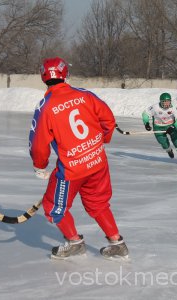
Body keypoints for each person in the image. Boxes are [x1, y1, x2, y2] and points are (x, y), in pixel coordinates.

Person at [29, 57, 128, 260]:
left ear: (43, 77)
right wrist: (101, 141)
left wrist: (40, 166)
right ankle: (117, 244)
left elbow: (39, 143)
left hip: (71, 170)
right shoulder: (85, 95)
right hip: (97, 162)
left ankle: (75, 243)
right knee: (98, 203)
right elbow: (108, 120)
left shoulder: (45, 107)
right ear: (65, 74)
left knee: (53, 206)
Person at [141, 92, 177, 163]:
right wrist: (146, 123)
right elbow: (145, 114)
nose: (167, 104)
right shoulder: (155, 107)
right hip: (158, 127)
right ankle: (169, 150)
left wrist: (174, 126)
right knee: (163, 142)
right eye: (165, 102)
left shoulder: (173, 107)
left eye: (168, 102)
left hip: (171, 126)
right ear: (161, 102)